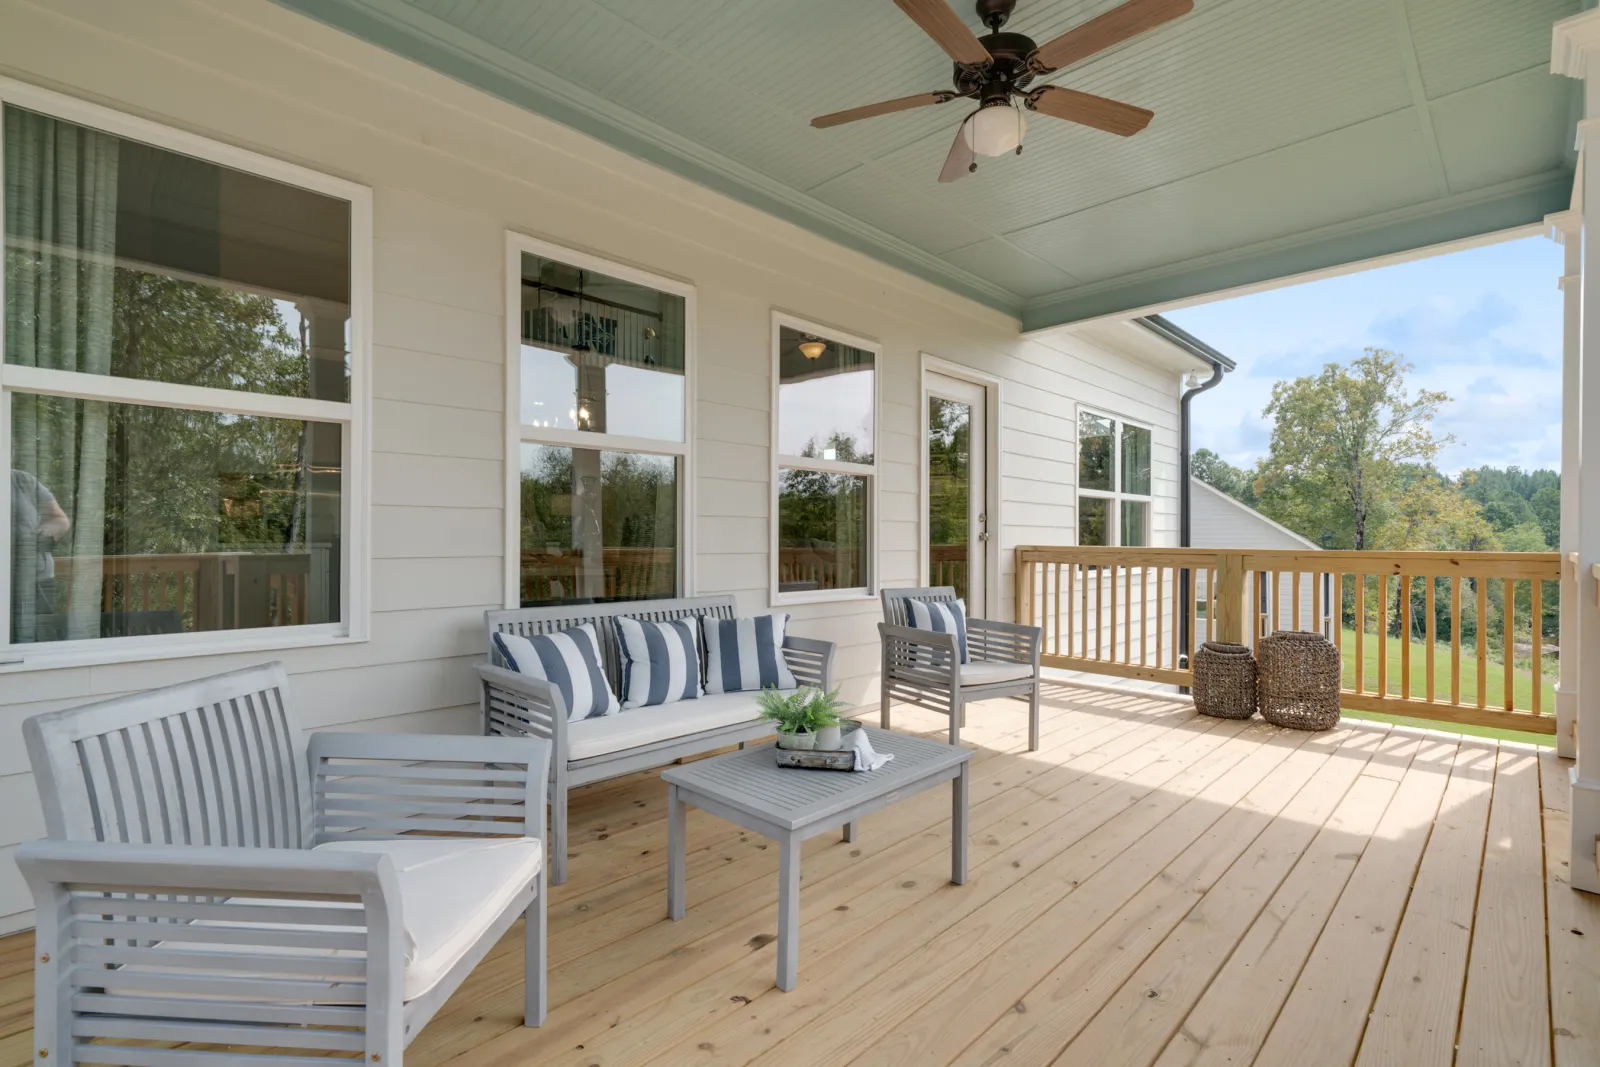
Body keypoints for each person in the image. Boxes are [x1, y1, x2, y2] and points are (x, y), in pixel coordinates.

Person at [10, 469, 70, 620]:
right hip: (6, 579)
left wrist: (41, 537)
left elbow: (60, 519)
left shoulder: (22, 480)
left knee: (38, 631)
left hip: (37, 578)